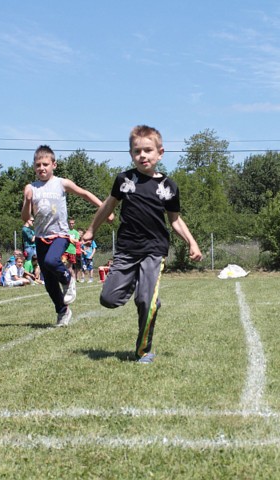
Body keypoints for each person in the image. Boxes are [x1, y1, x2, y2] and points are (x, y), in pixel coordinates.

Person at [83, 125, 203, 363]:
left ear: (160, 153)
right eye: (137, 151)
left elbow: (175, 220)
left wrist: (192, 242)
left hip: (154, 250)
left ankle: (143, 349)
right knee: (108, 298)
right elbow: (108, 206)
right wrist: (90, 230)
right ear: (131, 154)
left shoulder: (169, 186)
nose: (143, 155)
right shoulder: (124, 180)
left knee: (146, 301)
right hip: (127, 249)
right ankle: (141, 290)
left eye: (148, 150)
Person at [21, 145, 111, 327]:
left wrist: (105, 209)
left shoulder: (61, 183)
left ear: (54, 164)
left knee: (51, 261)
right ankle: (63, 311)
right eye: (37, 165)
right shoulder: (31, 187)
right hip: (41, 237)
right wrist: (28, 200)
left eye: (45, 164)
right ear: (34, 167)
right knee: (48, 281)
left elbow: (84, 193)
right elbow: (25, 217)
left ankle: (68, 279)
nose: (41, 168)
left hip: (60, 235)